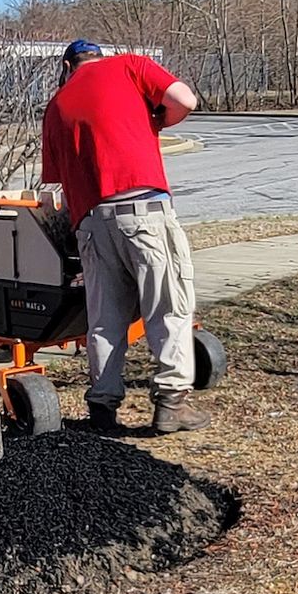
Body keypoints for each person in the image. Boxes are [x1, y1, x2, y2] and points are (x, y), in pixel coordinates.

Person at [40, 39, 208, 434]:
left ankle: (103, 406)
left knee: (103, 318)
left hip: (92, 223)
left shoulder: (56, 105)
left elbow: (51, 189)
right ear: (100, 57)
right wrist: (157, 121)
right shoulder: (129, 66)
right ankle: (171, 402)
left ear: (68, 66)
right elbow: (186, 100)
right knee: (167, 305)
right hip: (143, 212)